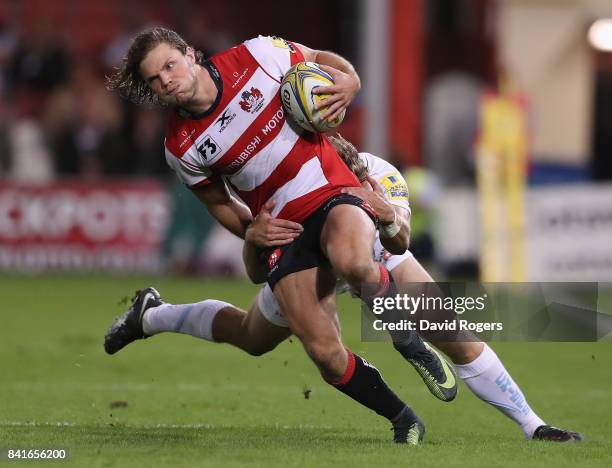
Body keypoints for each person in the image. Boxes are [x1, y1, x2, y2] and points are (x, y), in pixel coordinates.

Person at [105, 134, 582, 443]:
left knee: (452, 328)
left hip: (377, 263)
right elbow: (254, 269)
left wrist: (385, 212)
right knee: (252, 337)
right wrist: (254, 238)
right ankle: (153, 315)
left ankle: (532, 425)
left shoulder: (383, 176)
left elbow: (400, 242)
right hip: (316, 269)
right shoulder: (291, 198)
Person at [104, 27, 454, 444]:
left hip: (331, 190)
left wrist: (350, 79)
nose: (166, 80)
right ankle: (404, 419)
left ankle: (408, 341)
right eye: (153, 79)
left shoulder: (256, 56)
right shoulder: (181, 146)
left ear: (190, 54)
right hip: (285, 230)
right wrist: (253, 229)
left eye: (169, 65)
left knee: (354, 261)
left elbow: (322, 56)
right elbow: (220, 204)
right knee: (319, 351)